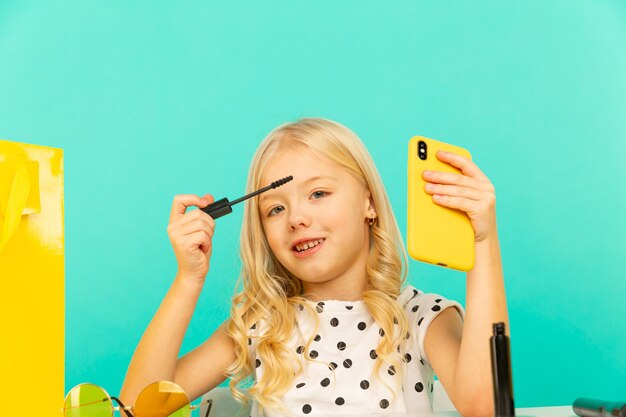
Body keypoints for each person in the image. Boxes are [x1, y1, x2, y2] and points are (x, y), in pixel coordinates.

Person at [120, 118, 509, 417]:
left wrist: (483, 243)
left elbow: (485, 406)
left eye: (319, 193)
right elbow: (139, 406)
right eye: (275, 208)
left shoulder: (420, 316)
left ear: (368, 204)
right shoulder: (262, 325)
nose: (296, 218)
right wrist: (189, 278)